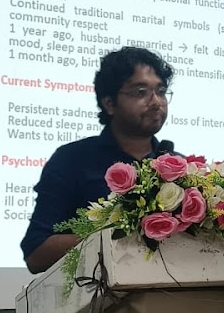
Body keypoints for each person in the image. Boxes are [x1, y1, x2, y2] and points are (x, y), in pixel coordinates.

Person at [21, 46, 176, 273]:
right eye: (140, 92)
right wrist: (119, 235)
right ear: (109, 103)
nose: (156, 102)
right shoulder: (71, 160)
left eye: (161, 91)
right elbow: (36, 254)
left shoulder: (178, 167)